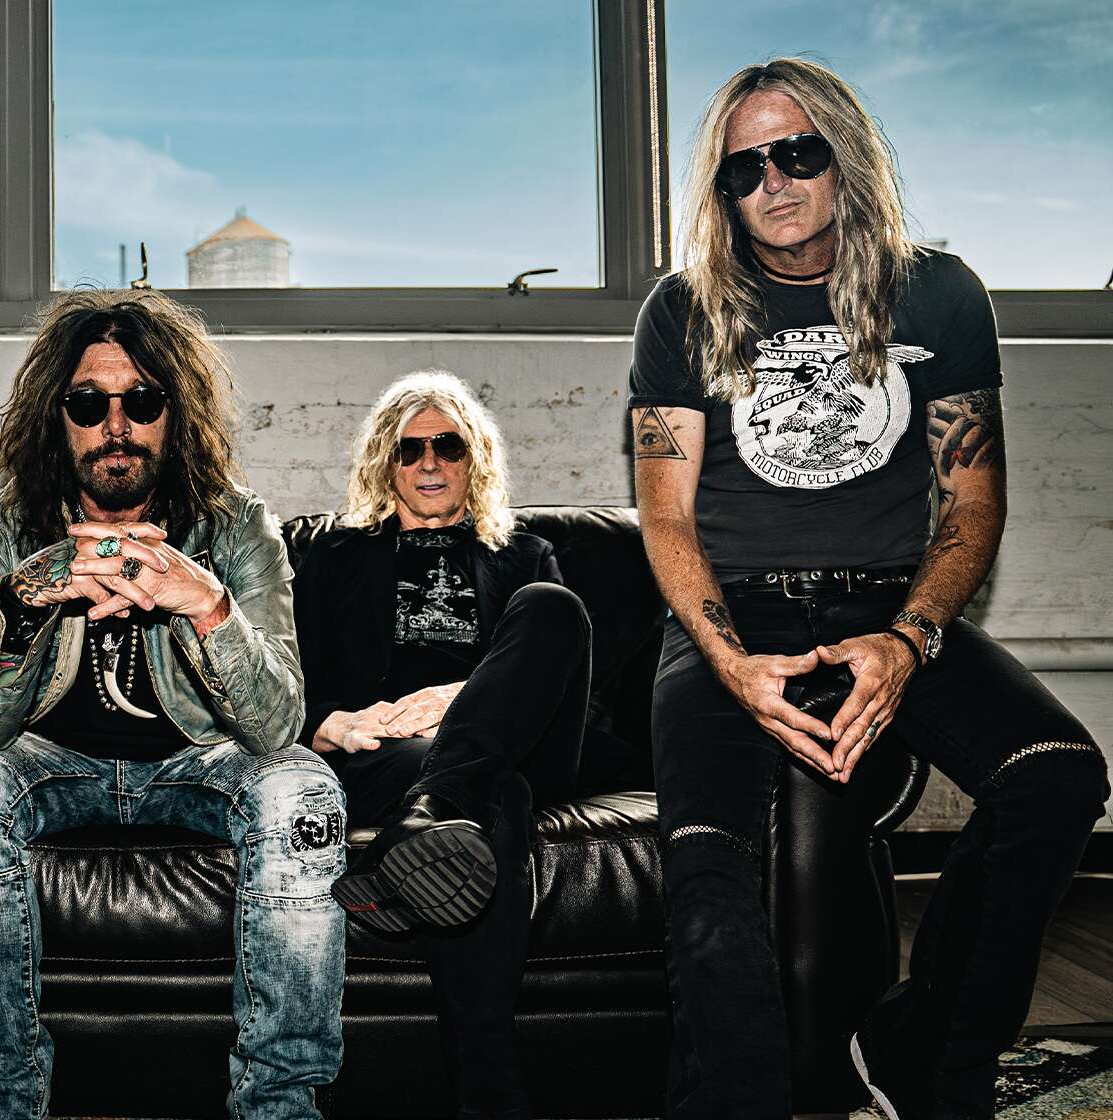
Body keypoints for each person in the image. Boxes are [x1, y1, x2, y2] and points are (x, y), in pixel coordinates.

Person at [629, 57, 1107, 1119]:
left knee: (1059, 776)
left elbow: (971, 501)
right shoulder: (682, 309)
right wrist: (730, 662)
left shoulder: (938, 291)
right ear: (723, 192)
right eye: (744, 169)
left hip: (886, 600)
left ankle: (920, 1053)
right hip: (734, 608)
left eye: (797, 153)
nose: (774, 183)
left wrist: (907, 638)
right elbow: (666, 518)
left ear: (844, 153)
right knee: (707, 861)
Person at [0, 289, 343, 1120]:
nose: (116, 425)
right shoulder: (2, 530)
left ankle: (280, 1107)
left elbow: (276, 726)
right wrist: (28, 600)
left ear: (175, 416)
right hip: (49, 762)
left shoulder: (237, 526)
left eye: (142, 401)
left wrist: (207, 605)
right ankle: (3, 1105)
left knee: (302, 789)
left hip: (199, 763)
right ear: (57, 419)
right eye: (88, 404)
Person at [300, 371, 590, 1120]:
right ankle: (488, 1090)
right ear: (385, 463)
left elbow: (555, 676)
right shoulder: (333, 558)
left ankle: (426, 811)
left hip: (513, 740)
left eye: (448, 447)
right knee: (495, 797)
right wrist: (335, 724)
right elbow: (287, 679)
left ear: (474, 458)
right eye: (410, 450)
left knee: (553, 608)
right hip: (387, 753)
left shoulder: (525, 556)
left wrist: (461, 701)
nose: (429, 464)